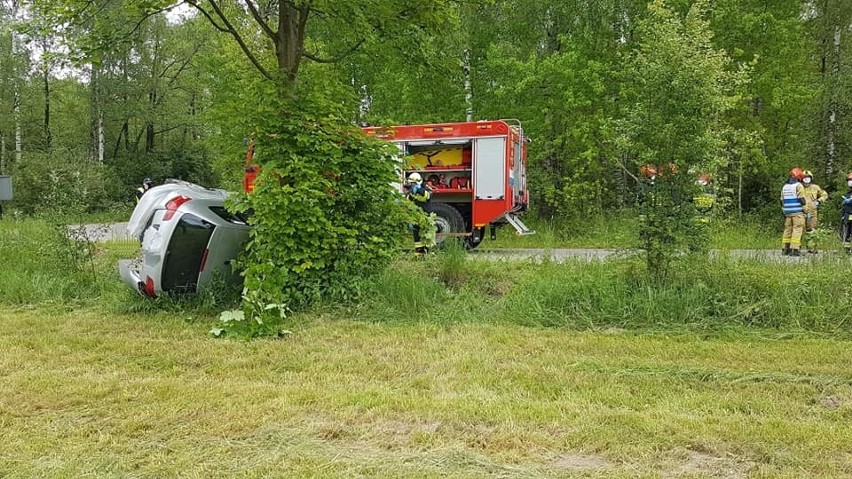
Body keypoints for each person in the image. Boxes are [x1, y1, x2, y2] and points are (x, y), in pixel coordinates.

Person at [403, 172, 432, 254]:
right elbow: (408, 202)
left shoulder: (426, 188)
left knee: (426, 236)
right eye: (411, 183)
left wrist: (418, 189)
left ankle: (427, 253)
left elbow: (428, 197)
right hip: (415, 217)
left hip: (425, 216)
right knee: (417, 237)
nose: (412, 185)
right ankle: (419, 254)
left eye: (413, 183)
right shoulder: (412, 191)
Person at [800, 170, 829, 253]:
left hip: (812, 213)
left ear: (811, 178)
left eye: (808, 178)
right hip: (801, 212)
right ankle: (797, 248)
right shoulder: (799, 187)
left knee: (811, 230)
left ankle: (811, 248)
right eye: (804, 178)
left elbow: (824, 194)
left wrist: (819, 201)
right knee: (799, 230)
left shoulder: (815, 187)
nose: (806, 180)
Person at [781, 167, 806, 256]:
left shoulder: (785, 186)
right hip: (797, 212)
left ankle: (785, 249)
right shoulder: (798, 185)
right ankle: (795, 249)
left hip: (787, 212)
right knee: (797, 229)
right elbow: (802, 199)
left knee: (787, 230)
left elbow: (782, 200)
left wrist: (785, 210)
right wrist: (806, 210)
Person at [841, 173, 852, 254]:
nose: (850, 182)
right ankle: (847, 250)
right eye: (849, 180)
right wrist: (843, 215)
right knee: (846, 232)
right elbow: (844, 206)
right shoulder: (848, 193)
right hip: (848, 215)